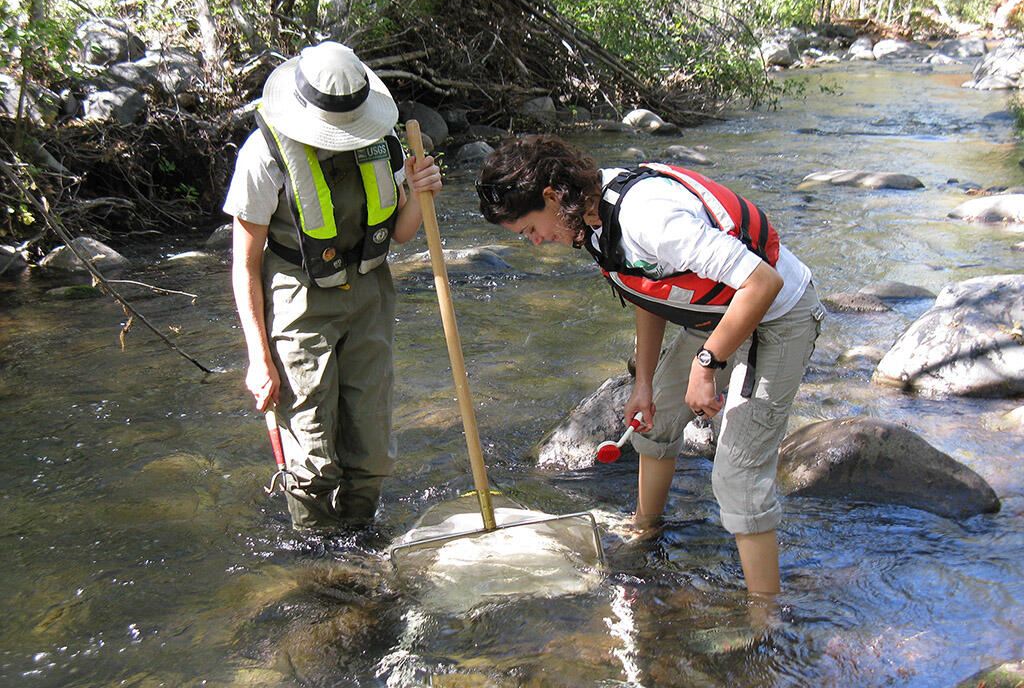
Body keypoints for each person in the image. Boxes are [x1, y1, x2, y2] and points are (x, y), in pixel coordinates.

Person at [476, 135, 823, 594]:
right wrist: (644, 382)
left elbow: (763, 282)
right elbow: (647, 292)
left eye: (530, 231)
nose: (538, 243)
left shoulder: (648, 218)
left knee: (737, 472)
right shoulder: (591, 217)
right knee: (652, 418)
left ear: (551, 197)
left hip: (779, 315)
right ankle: (647, 525)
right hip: (717, 314)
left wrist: (706, 365)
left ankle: (765, 612)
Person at [223, 40, 442, 532]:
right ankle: (318, 563)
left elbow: (402, 231)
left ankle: (361, 542)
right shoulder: (262, 155)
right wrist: (258, 358)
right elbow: (244, 264)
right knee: (313, 452)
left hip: (370, 295)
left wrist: (419, 191)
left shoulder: (381, 141)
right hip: (298, 300)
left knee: (370, 447)